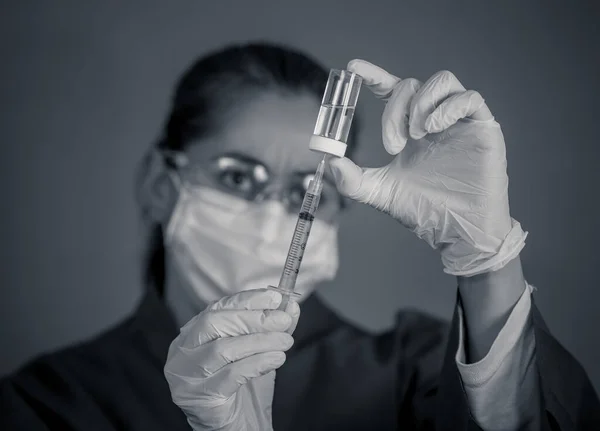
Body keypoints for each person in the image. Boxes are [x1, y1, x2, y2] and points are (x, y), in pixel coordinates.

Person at [1, 41, 598, 431]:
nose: (273, 214)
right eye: (239, 177)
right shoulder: (48, 404)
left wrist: (485, 259)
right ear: (162, 182)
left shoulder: (410, 374)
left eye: (302, 192)